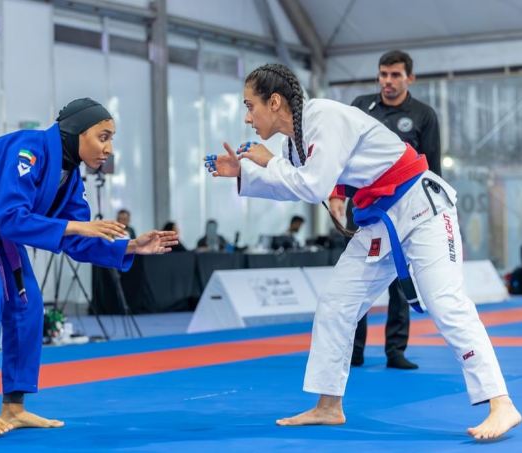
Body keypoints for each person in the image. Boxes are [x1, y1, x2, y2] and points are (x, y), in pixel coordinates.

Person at [206, 63, 520, 440]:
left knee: (446, 301)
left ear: (274, 102)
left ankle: (501, 403)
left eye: (249, 106)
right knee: (336, 302)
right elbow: (293, 184)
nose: (247, 117)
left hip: (422, 208)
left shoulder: (324, 117)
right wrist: (243, 173)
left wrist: (267, 161)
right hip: (380, 221)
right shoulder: (293, 142)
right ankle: (328, 405)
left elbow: (312, 185)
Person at [0, 98, 178, 437]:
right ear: (77, 131)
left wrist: (131, 246)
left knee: (28, 303)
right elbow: (13, 218)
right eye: (103, 137)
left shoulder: (70, 178)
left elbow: (78, 240)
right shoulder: (27, 149)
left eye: (111, 139)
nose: (108, 149)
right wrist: (76, 226)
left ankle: (14, 406)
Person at [329, 50, 441, 370]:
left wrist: (433, 211)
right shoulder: (360, 106)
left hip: (405, 210)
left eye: (395, 75)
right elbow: (341, 154)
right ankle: (353, 350)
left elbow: (431, 167)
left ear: (410, 78)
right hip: (363, 208)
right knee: (356, 280)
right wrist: (336, 194)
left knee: (399, 280)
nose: (387, 81)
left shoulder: (423, 115)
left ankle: (396, 350)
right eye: (383, 74)